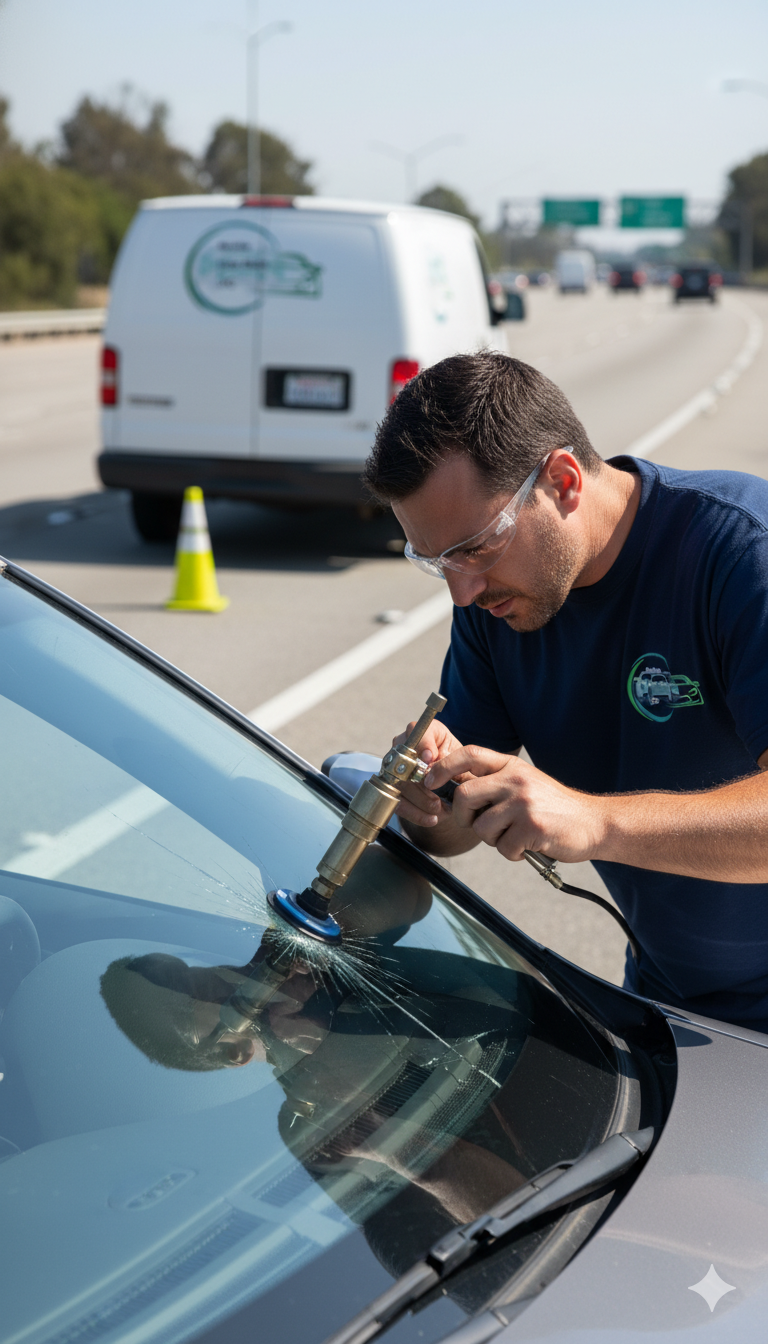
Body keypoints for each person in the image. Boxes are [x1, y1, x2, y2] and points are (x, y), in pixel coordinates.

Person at [363, 350, 768, 1032]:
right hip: (673, 1002)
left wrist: (594, 822)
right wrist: (429, 800)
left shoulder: (739, 554)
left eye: (475, 547)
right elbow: (454, 833)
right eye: (436, 563)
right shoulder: (496, 610)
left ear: (563, 480)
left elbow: (582, 820)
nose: (462, 591)